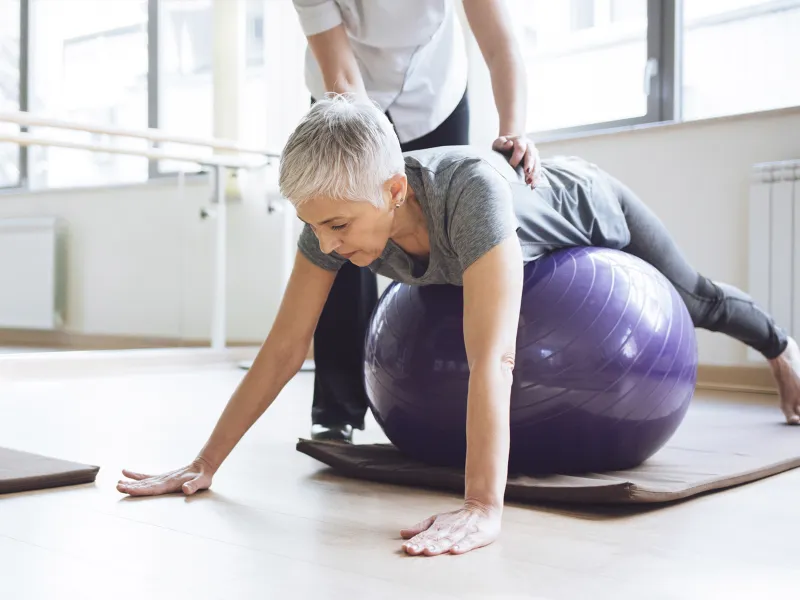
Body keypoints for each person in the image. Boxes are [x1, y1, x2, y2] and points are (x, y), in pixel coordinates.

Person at [117, 95, 800, 558]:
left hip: (587, 209)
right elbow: (284, 347)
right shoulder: (332, 221)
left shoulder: (469, 194)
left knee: (699, 299)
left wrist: (482, 506)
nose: (325, 245)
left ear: (393, 192)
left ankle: (782, 349)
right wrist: (204, 463)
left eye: (337, 227)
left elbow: (496, 356)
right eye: (312, 225)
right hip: (503, 241)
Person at [291, 0, 542, 444]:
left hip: (434, 92)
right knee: (343, 242)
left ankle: (456, 397)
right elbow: (345, 79)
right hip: (346, 100)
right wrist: (372, 168)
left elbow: (500, 43)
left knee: (447, 245)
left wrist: (514, 130)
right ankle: (337, 409)